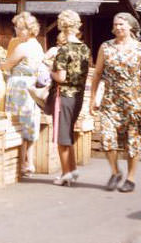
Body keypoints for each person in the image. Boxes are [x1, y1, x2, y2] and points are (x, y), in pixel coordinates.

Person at [90, 12, 141, 193]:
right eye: (116, 24)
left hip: (134, 100)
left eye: (122, 24)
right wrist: (93, 98)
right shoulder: (106, 47)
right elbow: (97, 73)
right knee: (106, 137)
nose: (118, 27)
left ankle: (131, 178)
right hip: (110, 99)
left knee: (133, 140)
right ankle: (115, 171)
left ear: (130, 26)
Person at [49, 10, 91, 186]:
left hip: (64, 96)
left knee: (62, 137)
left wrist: (49, 71)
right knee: (69, 134)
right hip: (78, 96)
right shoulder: (84, 48)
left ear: (61, 26)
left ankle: (66, 173)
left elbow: (61, 77)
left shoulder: (64, 49)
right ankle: (72, 170)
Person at [2, 11, 45, 177]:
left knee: (16, 123)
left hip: (19, 87)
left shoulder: (23, 47)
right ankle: (30, 162)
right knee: (30, 123)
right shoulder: (38, 46)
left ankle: (20, 163)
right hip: (31, 86)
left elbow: (6, 65)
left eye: (20, 28)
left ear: (29, 29)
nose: (17, 32)